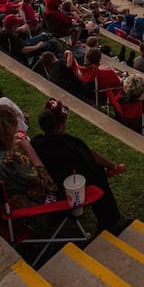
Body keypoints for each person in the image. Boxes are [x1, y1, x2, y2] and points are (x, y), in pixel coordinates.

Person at [31, 99, 127, 232]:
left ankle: (112, 170)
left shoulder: (36, 142)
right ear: (60, 126)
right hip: (66, 191)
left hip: (51, 185)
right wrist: (110, 166)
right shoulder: (68, 143)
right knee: (97, 172)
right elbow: (89, 158)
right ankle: (111, 221)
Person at [0, 105, 58, 210]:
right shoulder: (12, 160)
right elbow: (48, 184)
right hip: (28, 211)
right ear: (7, 132)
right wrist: (29, 148)